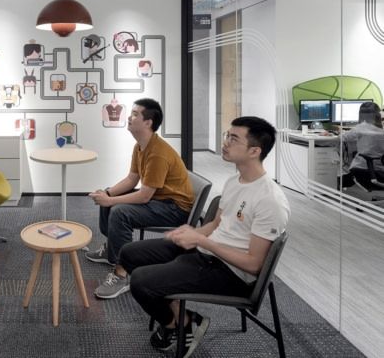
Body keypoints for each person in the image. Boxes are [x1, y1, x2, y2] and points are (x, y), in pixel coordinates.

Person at [97, 116, 289, 358]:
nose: (225, 142)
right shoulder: (234, 181)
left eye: (233, 138)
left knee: (141, 282)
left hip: (231, 273)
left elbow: (253, 264)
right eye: (226, 136)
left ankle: (178, 324)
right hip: (207, 251)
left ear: (254, 151)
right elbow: (217, 223)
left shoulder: (270, 199)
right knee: (129, 254)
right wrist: (192, 233)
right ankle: (183, 316)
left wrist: (202, 241)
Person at [85, 98, 194, 289]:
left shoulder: (158, 153)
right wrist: (107, 193)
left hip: (174, 208)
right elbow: (131, 179)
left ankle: (122, 271)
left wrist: (111, 201)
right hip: (159, 199)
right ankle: (112, 251)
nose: (129, 117)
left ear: (148, 122)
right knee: (109, 198)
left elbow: (144, 196)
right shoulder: (140, 146)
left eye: (135, 114)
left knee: (119, 211)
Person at [340, 101, 384, 186]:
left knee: (351, 165)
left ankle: (336, 184)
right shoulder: (381, 129)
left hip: (364, 169)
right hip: (381, 169)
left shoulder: (361, 128)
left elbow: (343, 138)